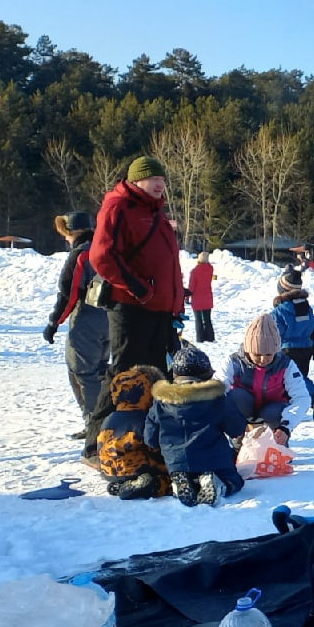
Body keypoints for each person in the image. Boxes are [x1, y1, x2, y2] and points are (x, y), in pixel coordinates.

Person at [85, 155, 185, 468]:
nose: (159, 184)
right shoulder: (119, 207)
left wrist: (176, 300)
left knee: (158, 375)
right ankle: (95, 442)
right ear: (136, 181)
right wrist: (138, 288)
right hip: (130, 308)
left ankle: (148, 439)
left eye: (162, 179)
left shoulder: (156, 213)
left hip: (158, 310)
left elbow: (166, 265)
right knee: (125, 373)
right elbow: (101, 256)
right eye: (152, 179)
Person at [147, 343, 247, 507]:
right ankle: (218, 483)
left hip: (175, 461)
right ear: (207, 374)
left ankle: (182, 481)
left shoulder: (161, 402)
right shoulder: (217, 399)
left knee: (184, 472)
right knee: (234, 481)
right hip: (214, 459)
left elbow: (150, 437)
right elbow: (236, 428)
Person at [43, 212, 110, 430]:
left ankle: (95, 425)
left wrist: (54, 322)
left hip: (87, 321)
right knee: (100, 371)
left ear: (73, 233)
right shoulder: (106, 249)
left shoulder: (80, 254)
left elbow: (68, 293)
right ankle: (105, 420)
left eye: (66, 235)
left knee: (82, 373)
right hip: (110, 319)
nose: (65, 239)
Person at [222, 313, 310, 441]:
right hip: (243, 408)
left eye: (269, 354)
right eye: (257, 354)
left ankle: (277, 442)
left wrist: (286, 427)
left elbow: (302, 398)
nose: (263, 360)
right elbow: (218, 387)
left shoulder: (286, 365)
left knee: (274, 412)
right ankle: (238, 439)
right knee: (235, 396)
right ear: (248, 350)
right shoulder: (234, 362)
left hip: (273, 411)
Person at [96, 366, 171, 499]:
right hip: (135, 468)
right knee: (167, 479)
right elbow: (153, 445)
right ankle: (149, 486)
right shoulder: (144, 419)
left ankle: (120, 485)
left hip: (107, 469)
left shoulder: (110, 417)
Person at [272, 268, 314, 417]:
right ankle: (300, 402)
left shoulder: (280, 310)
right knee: (300, 376)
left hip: (289, 350)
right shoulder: (305, 306)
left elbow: (275, 333)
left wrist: (272, 350)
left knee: (294, 378)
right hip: (307, 348)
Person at [187, 252, 216, 342]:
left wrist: (187, 297)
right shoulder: (210, 269)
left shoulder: (194, 271)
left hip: (197, 299)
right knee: (207, 319)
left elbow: (191, 287)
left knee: (198, 320)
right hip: (207, 298)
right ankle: (210, 337)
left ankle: (200, 338)